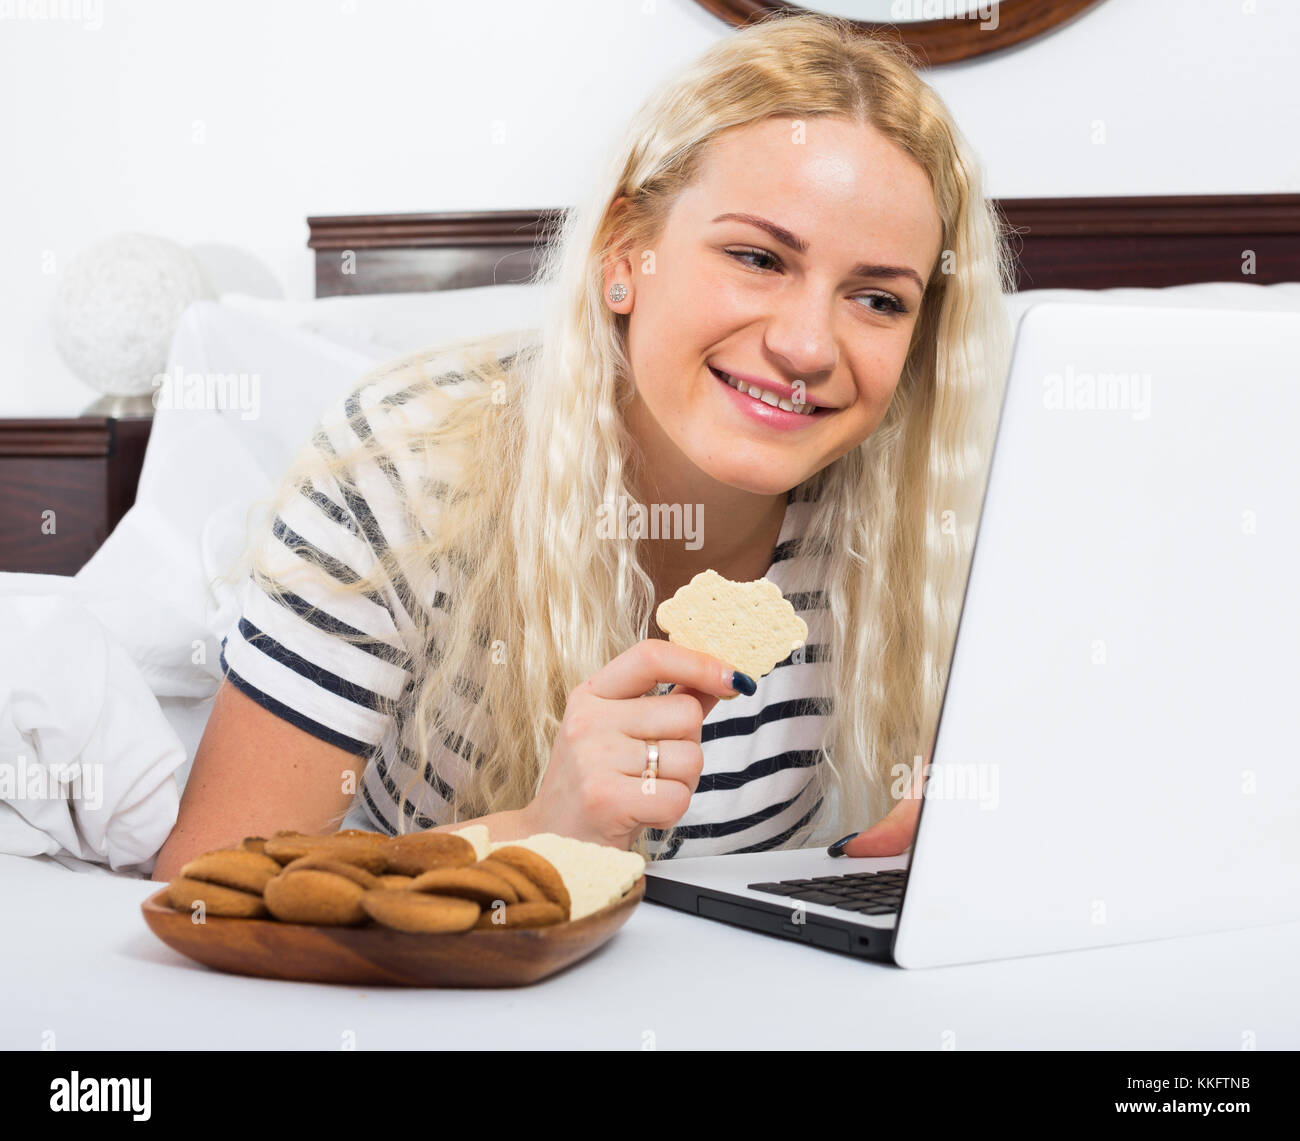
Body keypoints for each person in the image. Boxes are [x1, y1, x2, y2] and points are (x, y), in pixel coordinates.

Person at [152, 11, 1014, 883]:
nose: (808, 347)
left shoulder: (922, 520)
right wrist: (537, 831)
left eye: (878, 299)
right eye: (757, 257)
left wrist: (922, 859)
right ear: (623, 253)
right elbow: (208, 888)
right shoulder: (407, 468)